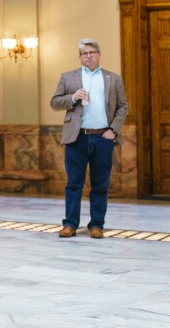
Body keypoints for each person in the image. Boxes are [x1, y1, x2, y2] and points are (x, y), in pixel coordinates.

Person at [50, 38, 128, 239]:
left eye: (92, 52)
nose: (88, 56)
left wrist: (113, 130)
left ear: (99, 54)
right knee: (74, 183)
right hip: (77, 137)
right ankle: (70, 225)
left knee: (100, 184)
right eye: (84, 53)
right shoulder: (68, 77)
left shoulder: (113, 78)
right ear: (80, 57)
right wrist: (73, 97)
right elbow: (55, 102)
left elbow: (123, 107)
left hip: (103, 137)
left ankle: (96, 225)